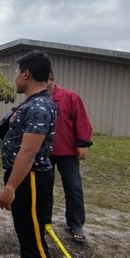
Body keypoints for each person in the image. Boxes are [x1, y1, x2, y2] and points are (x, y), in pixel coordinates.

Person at [0, 50, 56, 258]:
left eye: (16, 73)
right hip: (23, 176)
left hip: (29, 180)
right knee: (26, 236)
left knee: (34, 241)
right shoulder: (32, 103)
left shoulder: (40, 106)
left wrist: (10, 188)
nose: (14, 78)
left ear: (26, 73)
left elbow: (28, 152)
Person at [47, 72, 93, 242]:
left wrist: (82, 143)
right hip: (45, 152)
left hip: (67, 152)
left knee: (73, 187)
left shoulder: (70, 97)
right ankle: (45, 220)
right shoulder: (37, 99)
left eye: (46, 81)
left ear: (52, 80)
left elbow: (82, 120)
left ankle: (76, 223)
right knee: (45, 188)